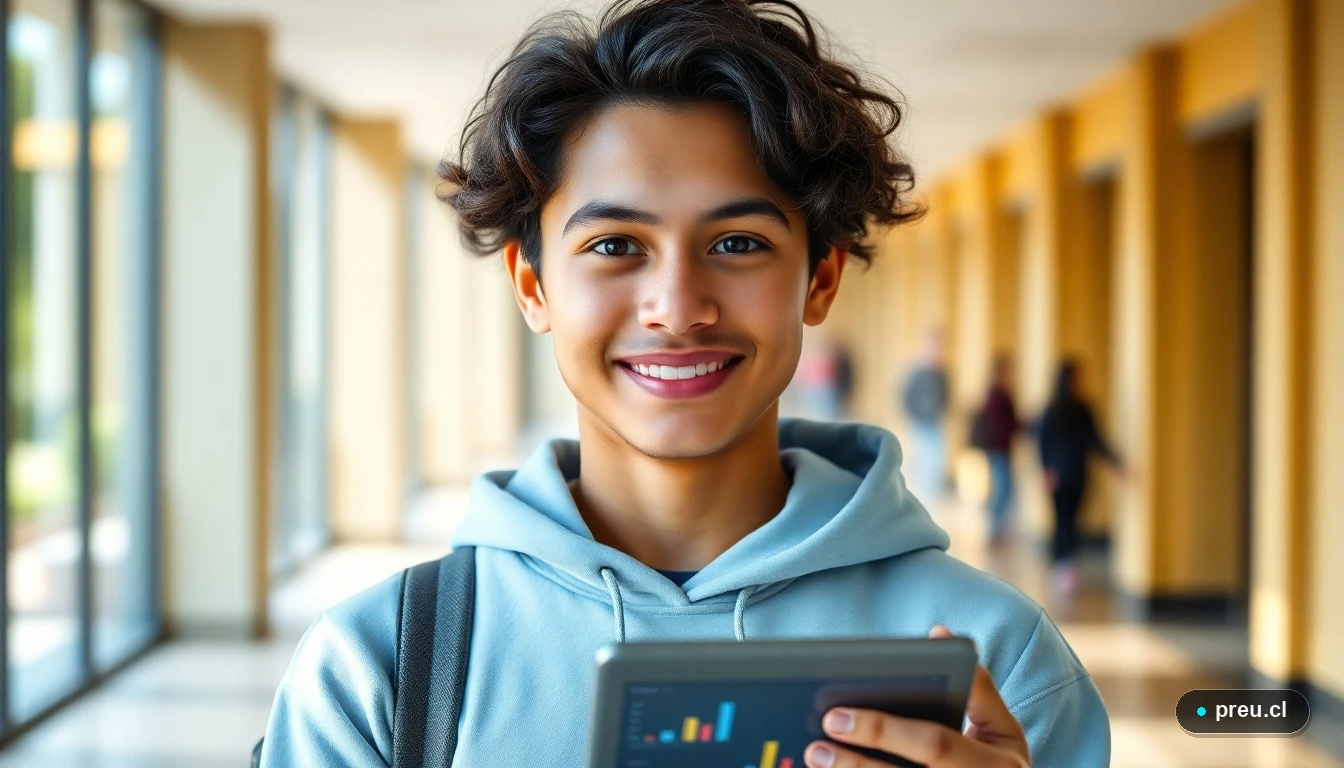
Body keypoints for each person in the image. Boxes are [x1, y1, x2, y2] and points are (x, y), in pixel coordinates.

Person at [259, 2, 1109, 766]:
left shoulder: (996, 662)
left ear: (819, 282)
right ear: (532, 286)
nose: (677, 308)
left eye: (737, 243)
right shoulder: (385, 670)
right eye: (614, 245)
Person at [1036, 359, 1124, 596]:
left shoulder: (1076, 408)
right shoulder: (1057, 408)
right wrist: (1045, 469)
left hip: (1069, 474)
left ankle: (1066, 565)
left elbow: (1093, 439)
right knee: (1065, 521)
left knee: (1069, 521)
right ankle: (1063, 565)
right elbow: (1044, 442)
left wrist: (1118, 463)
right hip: (1066, 474)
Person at [973, 354, 1019, 545]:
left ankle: (997, 528)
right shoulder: (997, 395)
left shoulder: (996, 394)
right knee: (1004, 490)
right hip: (998, 449)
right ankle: (994, 528)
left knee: (1004, 489)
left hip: (999, 448)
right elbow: (1003, 424)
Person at [901, 329, 950, 504]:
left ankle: (933, 496)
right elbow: (906, 397)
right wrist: (916, 415)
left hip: (937, 422)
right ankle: (923, 498)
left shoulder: (943, 373)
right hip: (921, 423)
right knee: (924, 461)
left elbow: (947, 396)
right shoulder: (916, 372)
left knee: (937, 461)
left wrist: (942, 412)